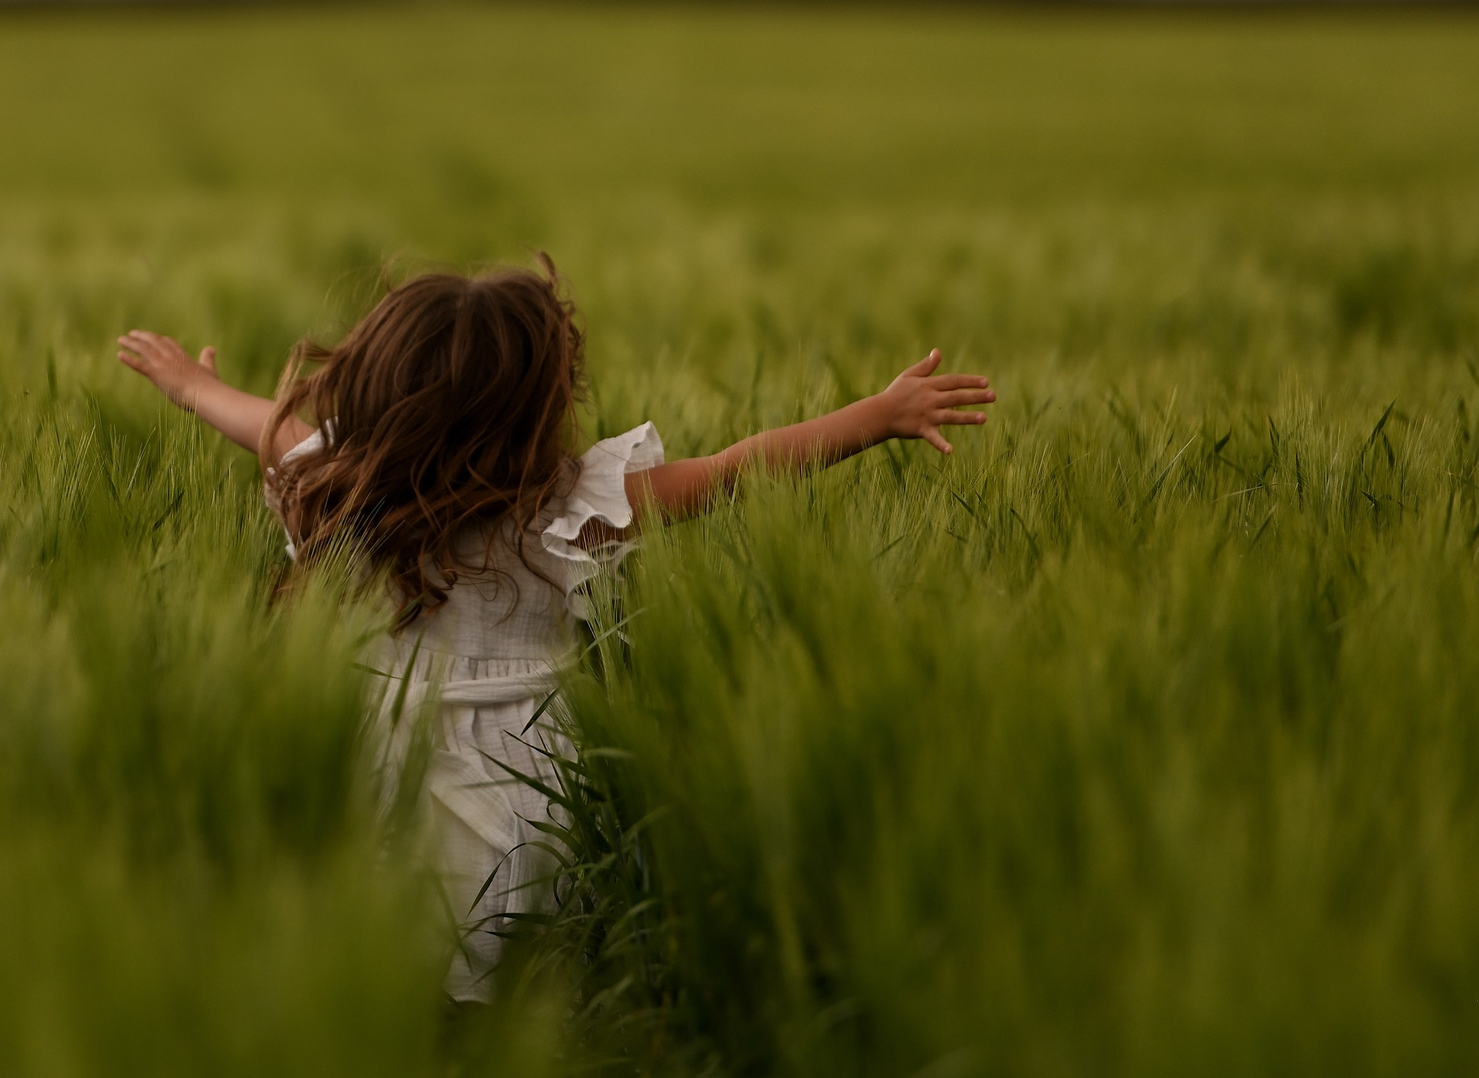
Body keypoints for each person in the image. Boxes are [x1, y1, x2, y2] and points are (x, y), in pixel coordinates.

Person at [115, 258, 994, 1002]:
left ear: (375, 390)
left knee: (380, 973)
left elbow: (266, 431)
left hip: (369, 763)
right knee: (511, 986)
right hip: (520, 788)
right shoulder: (572, 510)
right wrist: (877, 417)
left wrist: (188, 385)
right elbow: (738, 469)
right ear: (537, 405)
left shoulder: (334, 488)